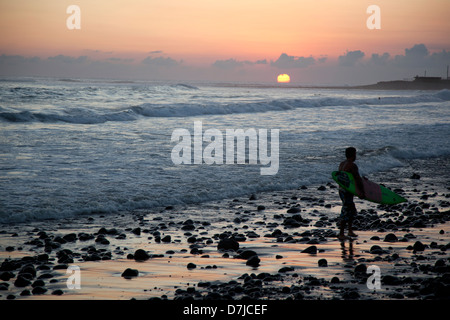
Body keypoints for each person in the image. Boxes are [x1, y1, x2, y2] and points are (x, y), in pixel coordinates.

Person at [338, 147, 365, 240]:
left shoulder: (342, 164)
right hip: (347, 191)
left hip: (341, 190)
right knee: (346, 210)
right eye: (355, 154)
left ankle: (349, 230)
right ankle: (341, 233)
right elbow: (357, 179)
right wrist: (361, 192)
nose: (355, 156)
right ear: (353, 155)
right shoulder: (352, 165)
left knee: (351, 209)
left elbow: (342, 178)